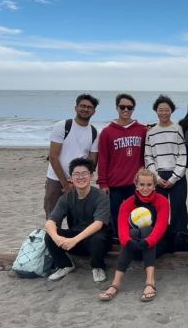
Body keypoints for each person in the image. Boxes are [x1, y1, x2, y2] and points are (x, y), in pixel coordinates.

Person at [98, 169, 170, 302]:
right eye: (142, 184)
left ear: (154, 185)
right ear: (136, 185)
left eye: (149, 185)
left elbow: (161, 227)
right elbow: (122, 230)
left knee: (147, 229)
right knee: (133, 232)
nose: (145, 188)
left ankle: (150, 282)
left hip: (156, 245)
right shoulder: (128, 203)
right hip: (134, 247)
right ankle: (116, 284)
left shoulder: (162, 201)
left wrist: (148, 242)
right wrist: (128, 242)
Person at [45, 157, 111, 283]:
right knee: (49, 234)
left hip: (96, 241)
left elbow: (98, 224)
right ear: (71, 178)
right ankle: (65, 265)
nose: (80, 177)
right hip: (75, 240)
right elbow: (50, 222)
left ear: (91, 176)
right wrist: (57, 238)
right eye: (76, 174)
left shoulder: (101, 197)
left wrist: (74, 240)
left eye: (84, 174)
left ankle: (98, 267)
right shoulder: (67, 198)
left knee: (98, 238)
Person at [97, 93, 147, 241]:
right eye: (122, 107)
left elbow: (147, 154)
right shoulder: (107, 132)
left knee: (136, 213)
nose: (126, 110)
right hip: (114, 182)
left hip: (135, 183)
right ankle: (116, 238)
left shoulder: (142, 130)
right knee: (115, 213)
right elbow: (103, 158)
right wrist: (103, 182)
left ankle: (134, 237)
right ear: (117, 108)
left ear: (134, 109)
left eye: (129, 107)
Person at [44, 93, 99, 218]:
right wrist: (65, 184)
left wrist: (78, 181)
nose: (85, 109)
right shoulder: (63, 126)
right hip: (56, 179)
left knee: (77, 217)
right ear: (76, 108)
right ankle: (52, 238)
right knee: (52, 216)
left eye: (89, 107)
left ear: (94, 111)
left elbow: (92, 161)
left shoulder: (94, 132)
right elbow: (53, 156)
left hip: (79, 181)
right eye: (82, 106)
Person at [144, 94, 188, 252]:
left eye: (166, 110)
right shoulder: (151, 132)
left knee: (178, 208)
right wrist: (155, 177)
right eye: (160, 110)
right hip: (158, 175)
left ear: (172, 111)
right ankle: (161, 240)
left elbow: (183, 154)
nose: (163, 113)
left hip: (177, 175)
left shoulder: (178, 129)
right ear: (156, 111)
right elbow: (148, 156)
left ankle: (180, 239)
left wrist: (175, 177)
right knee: (159, 209)